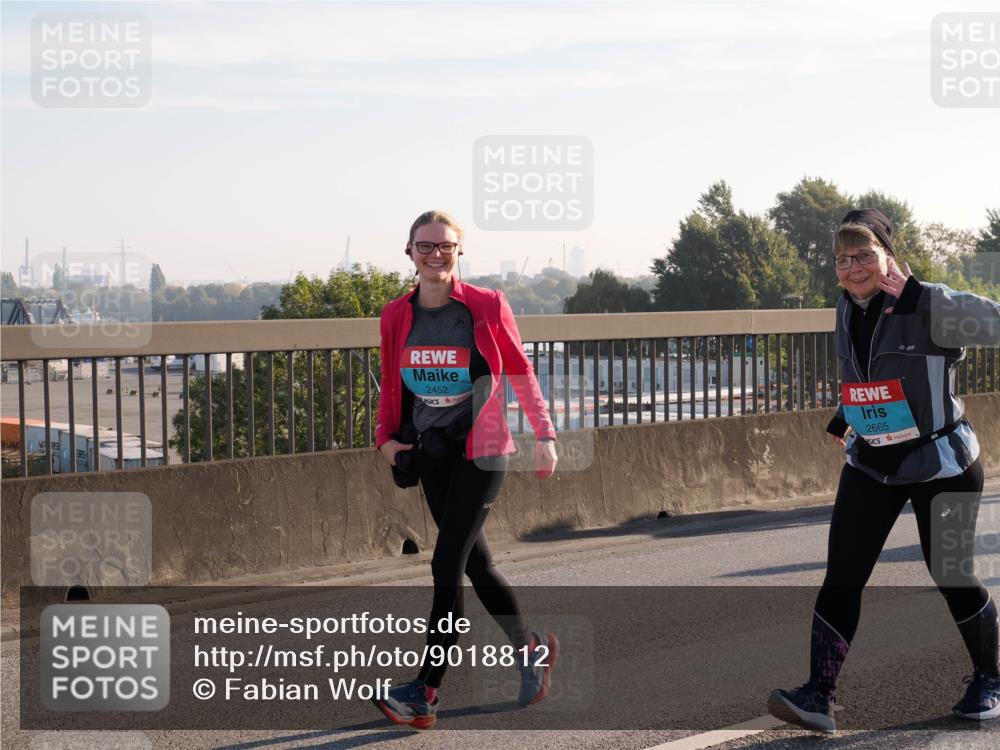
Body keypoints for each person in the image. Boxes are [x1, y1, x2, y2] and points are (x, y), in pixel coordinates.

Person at [767, 208, 1000, 733]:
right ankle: (818, 695)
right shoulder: (846, 306)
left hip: (942, 462)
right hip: (874, 461)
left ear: (888, 256)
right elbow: (864, 369)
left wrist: (923, 295)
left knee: (953, 575)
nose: (852, 268)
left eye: (864, 255)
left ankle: (990, 678)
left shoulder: (926, 305)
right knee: (843, 576)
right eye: (841, 259)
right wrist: (845, 415)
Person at [372, 210, 560, 729]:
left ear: (459, 251)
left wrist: (544, 434)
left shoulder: (484, 305)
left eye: (445, 246)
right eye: (425, 246)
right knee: (475, 564)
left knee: (445, 564)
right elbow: (393, 383)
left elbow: (519, 367)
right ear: (408, 251)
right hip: (431, 452)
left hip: (482, 448)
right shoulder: (395, 315)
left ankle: (425, 692)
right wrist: (387, 441)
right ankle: (530, 651)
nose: (435, 254)